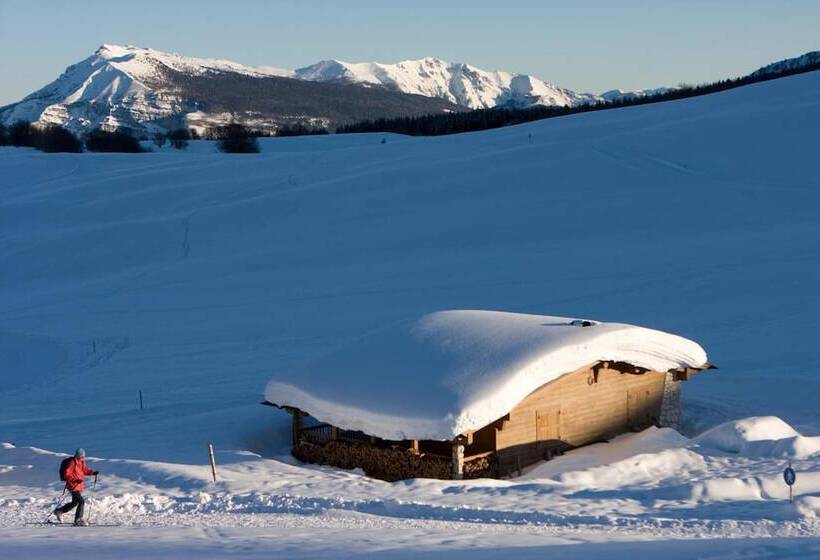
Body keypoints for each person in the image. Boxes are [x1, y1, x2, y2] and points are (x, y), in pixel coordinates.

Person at [53, 448, 98, 526]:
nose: (82, 458)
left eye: (83, 456)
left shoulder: (81, 462)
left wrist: (92, 472)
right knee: (81, 501)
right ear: (77, 455)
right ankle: (78, 519)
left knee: (75, 502)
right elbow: (66, 474)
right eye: (81, 456)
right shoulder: (72, 462)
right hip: (72, 485)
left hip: (78, 485)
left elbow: (84, 470)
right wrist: (75, 480)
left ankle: (59, 511)